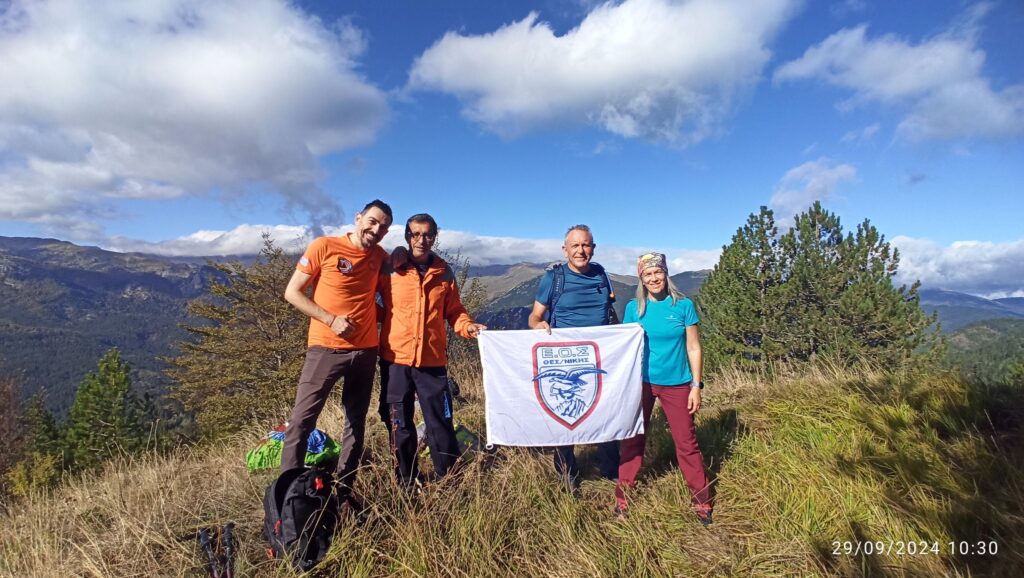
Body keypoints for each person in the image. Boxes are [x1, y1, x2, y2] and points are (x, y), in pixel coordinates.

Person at [280, 199, 393, 505]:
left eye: (383, 226)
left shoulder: (380, 257)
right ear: (358, 218)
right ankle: (288, 495)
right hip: (325, 348)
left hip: (366, 351)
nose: (376, 229)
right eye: (372, 221)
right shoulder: (324, 247)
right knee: (303, 419)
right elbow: (292, 293)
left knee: (356, 423)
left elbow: (394, 291)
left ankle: (344, 490)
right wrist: (330, 319)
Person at [378, 213, 486, 489]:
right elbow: (367, 299)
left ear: (435, 236)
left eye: (427, 234)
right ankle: (406, 481)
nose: (421, 240)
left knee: (440, 423)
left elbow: (454, 310)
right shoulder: (390, 267)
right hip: (395, 360)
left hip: (432, 361)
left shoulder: (443, 271)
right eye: (415, 234)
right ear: (407, 236)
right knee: (400, 425)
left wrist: (467, 326)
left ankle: (448, 480)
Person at [615, 252, 712, 525]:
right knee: (633, 439)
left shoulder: (683, 306)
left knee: (686, 442)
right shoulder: (634, 308)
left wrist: (696, 385)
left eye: (658, 273)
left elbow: (694, 347)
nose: (654, 278)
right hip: (641, 383)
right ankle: (623, 498)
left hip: (678, 384)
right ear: (641, 278)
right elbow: (624, 347)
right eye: (648, 274)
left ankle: (702, 500)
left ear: (666, 274)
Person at [528, 224, 619, 489]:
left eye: (586, 245)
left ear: (593, 247)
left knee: (605, 411)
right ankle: (568, 473)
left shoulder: (601, 274)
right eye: (575, 245)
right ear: (565, 249)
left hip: (599, 357)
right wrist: (537, 326)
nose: (581, 250)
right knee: (564, 415)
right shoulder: (554, 278)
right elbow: (534, 316)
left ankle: (611, 467)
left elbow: (609, 312)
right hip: (564, 359)